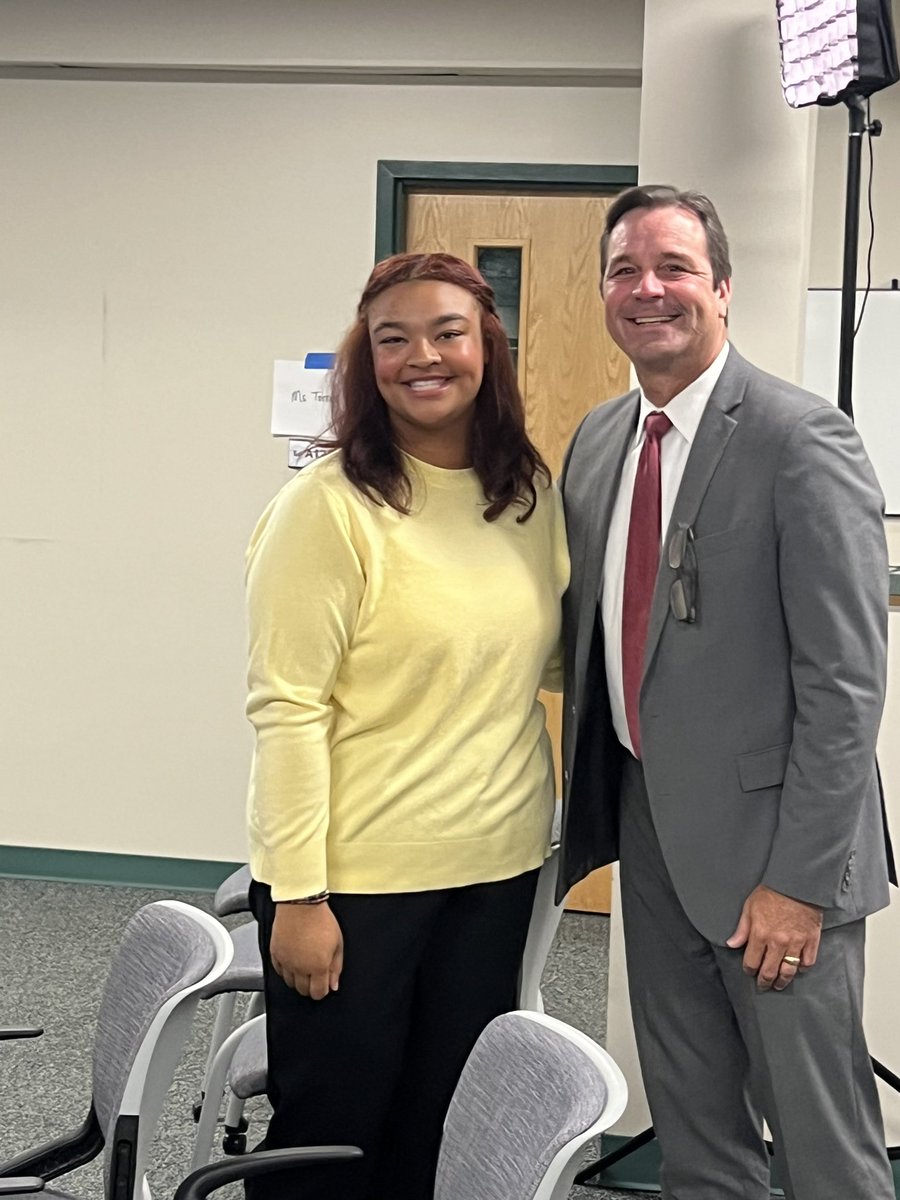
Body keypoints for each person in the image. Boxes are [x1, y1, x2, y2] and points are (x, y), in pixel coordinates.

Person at [557, 184, 896, 1199]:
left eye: (674, 269)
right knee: (698, 1131)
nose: (647, 290)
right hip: (651, 831)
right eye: (625, 271)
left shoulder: (802, 440)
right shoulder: (600, 439)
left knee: (820, 1143)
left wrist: (799, 881)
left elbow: (844, 684)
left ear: (724, 289)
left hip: (775, 859)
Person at [244, 252, 568, 1200]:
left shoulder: (527, 493)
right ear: (366, 359)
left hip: (494, 871)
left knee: (447, 1125)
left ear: (488, 350)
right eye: (394, 339)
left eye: (447, 333)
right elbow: (287, 709)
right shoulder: (327, 510)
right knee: (332, 1136)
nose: (422, 356)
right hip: (355, 882)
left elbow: (539, 657)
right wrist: (299, 895)